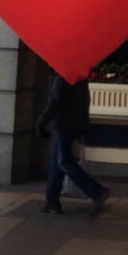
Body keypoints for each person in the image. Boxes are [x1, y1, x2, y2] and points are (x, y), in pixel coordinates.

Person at [36, 71, 110, 215]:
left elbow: (55, 101)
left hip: (65, 125)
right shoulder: (78, 75)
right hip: (73, 123)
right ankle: (52, 200)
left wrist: (41, 121)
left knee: (64, 161)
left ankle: (97, 192)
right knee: (56, 162)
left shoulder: (63, 75)